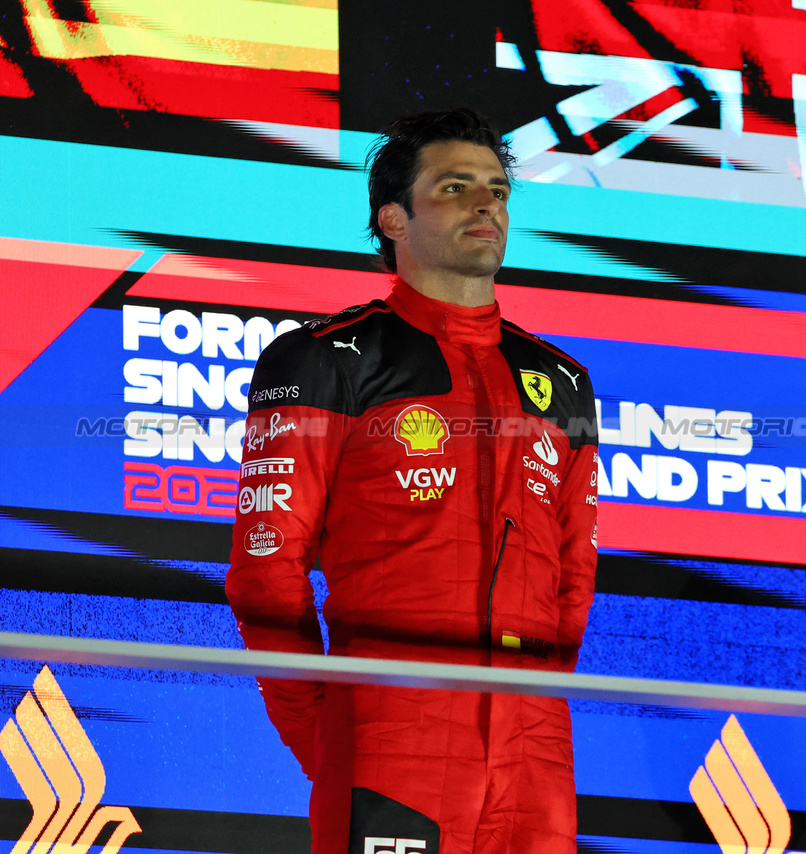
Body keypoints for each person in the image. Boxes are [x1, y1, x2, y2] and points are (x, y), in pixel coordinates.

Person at [225, 108, 599, 854]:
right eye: (455, 187)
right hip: (391, 739)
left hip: (535, 757)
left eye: (497, 189)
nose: (486, 204)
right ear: (392, 219)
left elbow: (572, 577)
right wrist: (332, 735)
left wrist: (532, 709)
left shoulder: (563, 381)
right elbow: (266, 574)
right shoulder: (325, 357)